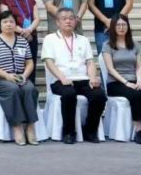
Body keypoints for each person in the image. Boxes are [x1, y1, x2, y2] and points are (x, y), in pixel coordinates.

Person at [42, 8, 106, 144]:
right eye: (64, 19)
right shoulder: (50, 39)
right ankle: (69, 132)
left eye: (71, 18)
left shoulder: (83, 40)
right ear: (57, 22)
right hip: (60, 80)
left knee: (99, 95)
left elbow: (90, 62)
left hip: (82, 79)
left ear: (76, 21)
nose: (68, 21)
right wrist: (62, 78)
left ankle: (90, 130)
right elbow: (49, 62)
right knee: (69, 94)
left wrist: (92, 78)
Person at [102, 14, 141, 145]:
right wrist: (126, 83)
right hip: (115, 83)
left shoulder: (135, 45)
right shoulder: (107, 45)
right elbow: (110, 69)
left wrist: (139, 81)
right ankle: (139, 130)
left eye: (124, 25)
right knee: (135, 96)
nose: (121, 27)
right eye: (118, 25)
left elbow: (138, 66)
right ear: (113, 27)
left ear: (128, 27)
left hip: (133, 81)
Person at [0, 11, 39, 146]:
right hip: (0, 79)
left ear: (16, 24)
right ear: (0, 25)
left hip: (20, 77)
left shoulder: (22, 41)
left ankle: (30, 125)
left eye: (11, 22)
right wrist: (6, 75)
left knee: (30, 89)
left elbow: (29, 62)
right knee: (13, 89)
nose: (8, 24)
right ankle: (17, 126)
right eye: (5, 22)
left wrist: (24, 76)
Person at [0, 0, 41, 83]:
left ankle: (31, 88)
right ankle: (17, 85)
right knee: (17, 64)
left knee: (31, 63)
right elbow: (5, 19)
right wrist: (22, 31)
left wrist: (29, 30)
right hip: (14, 37)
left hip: (31, 36)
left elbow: (37, 18)